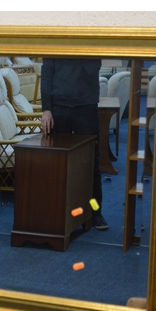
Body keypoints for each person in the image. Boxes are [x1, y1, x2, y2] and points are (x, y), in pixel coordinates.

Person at [41, 57, 108, 230]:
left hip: (86, 107)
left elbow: (93, 67)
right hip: (58, 108)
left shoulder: (90, 39)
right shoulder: (54, 40)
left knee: (91, 164)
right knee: (58, 164)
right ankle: (58, 211)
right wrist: (46, 109)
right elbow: (47, 75)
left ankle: (95, 212)